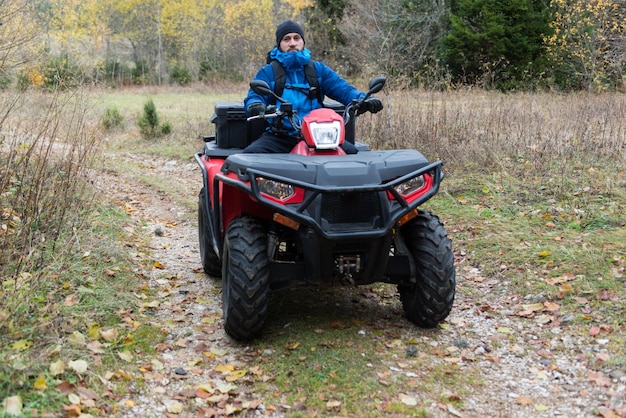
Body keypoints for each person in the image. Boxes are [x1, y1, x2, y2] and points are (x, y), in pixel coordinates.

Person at [243, 20, 383, 154]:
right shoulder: (268, 72)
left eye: (296, 38)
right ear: (279, 44)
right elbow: (255, 96)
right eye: (286, 39)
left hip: (319, 136)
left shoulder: (318, 70)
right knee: (250, 156)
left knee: (352, 154)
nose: (292, 43)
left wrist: (364, 100)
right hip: (281, 136)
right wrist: (255, 105)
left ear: (303, 41)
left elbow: (343, 89)